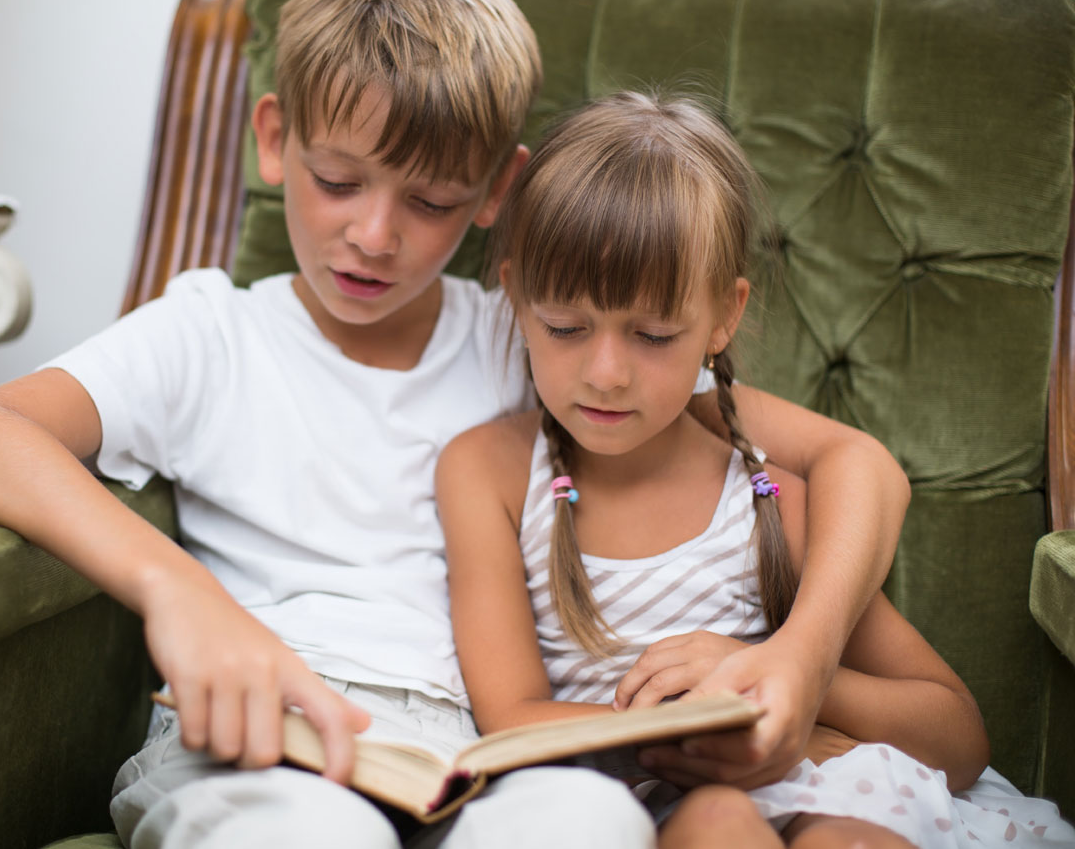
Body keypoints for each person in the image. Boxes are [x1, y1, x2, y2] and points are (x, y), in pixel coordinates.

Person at [0, 0, 905, 849]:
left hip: (482, 761)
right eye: (338, 180)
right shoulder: (211, 335)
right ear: (275, 139)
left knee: (593, 822)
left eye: (430, 201)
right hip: (272, 738)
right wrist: (178, 594)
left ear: (493, 195)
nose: (375, 236)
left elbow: (851, 461)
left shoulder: (544, 337)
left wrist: (807, 656)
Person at [436, 90, 1075, 848]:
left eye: (652, 334)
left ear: (722, 318)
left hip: (828, 782)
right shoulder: (493, 473)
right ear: (514, 297)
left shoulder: (768, 499)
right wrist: (691, 737)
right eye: (566, 328)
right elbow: (511, 715)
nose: (606, 373)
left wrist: (779, 677)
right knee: (715, 821)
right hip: (637, 808)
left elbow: (958, 739)